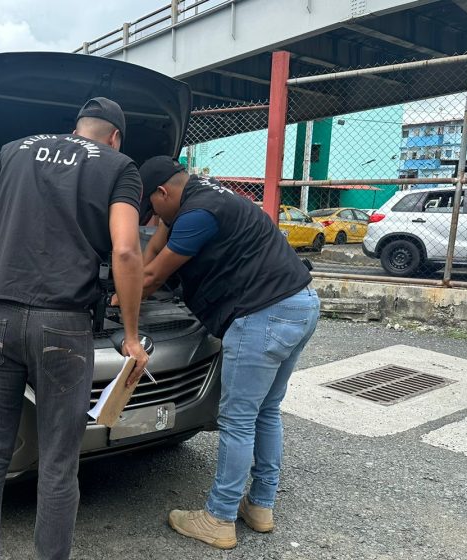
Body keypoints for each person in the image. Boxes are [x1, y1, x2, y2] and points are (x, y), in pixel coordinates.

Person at [0, 97, 149, 560]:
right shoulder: (120, 166)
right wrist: (132, 335)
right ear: (115, 136)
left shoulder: (15, 150)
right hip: (65, 328)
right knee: (59, 466)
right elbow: (125, 252)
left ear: (76, 127)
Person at [132, 157, 320, 550]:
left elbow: (152, 276)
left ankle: (218, 518)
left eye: (151, 210)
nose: (150, 222)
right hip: (300, 304)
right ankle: (260, 507)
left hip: (263, 316)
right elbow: (156, 246)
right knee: (266, 410)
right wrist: (145, 258)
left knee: (237, 420)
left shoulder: (198, 214)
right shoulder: (205, 194)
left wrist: (120, 298)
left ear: (163, 193)